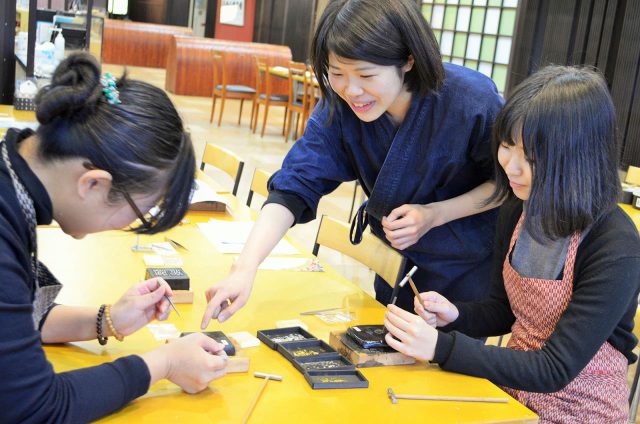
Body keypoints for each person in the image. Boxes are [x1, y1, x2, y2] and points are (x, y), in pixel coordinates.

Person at [201, 0, 504, 327]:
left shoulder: (470, 100)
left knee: (451, 370)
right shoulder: (340, 107)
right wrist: (245, 268)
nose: (352, 90)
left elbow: (507, 185)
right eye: (337, 74)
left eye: (366, 74)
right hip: (397, 263)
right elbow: (294, 186)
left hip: (464, 270)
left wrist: (435, 214)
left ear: (408, 60)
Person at [384, 65, 640, 422]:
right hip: (511, 391)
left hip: (581, 407)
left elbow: (554, 369)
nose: (511, 167)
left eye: (532, 157)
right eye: (506, 146)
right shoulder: (518, 209)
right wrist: (455, 315)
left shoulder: (614, 244)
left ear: (578, 158)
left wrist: (441, 347)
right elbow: (505, 311)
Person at [0, 53, 228, 423]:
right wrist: (163, 362)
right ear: (93, 183)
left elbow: (23, 318)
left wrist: (108, 319)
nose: (125, 226)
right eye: (138, 211)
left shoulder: (14, 179)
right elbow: (37, 409)